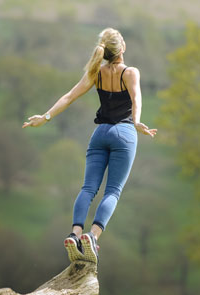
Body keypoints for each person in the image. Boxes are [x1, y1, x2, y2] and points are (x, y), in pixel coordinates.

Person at [22, 27, 157, 264]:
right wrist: (136, 122)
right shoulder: (130, 72)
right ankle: (92, 237)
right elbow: (137, 98)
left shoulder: (97, 72)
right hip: (123, 134)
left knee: (88, 188)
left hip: (100, 134)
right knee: (113, 190)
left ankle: (74, 234)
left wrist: (45, 117)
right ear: (122, 48)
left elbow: (69, 96)